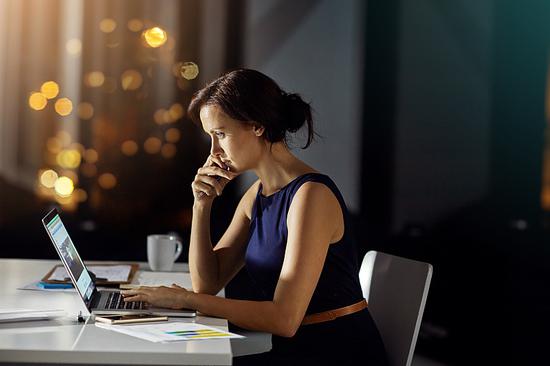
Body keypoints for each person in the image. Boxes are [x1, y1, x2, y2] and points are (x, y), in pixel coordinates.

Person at [122, 69, 388, 365]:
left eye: (220, 134)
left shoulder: (311, 196)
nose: (214, 152)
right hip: (293, 349)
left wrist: (183, 300)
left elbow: (284, 319)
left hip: (334, 353)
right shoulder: (258, 193)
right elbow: (207, 284)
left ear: (257, 126)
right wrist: (201, 205)